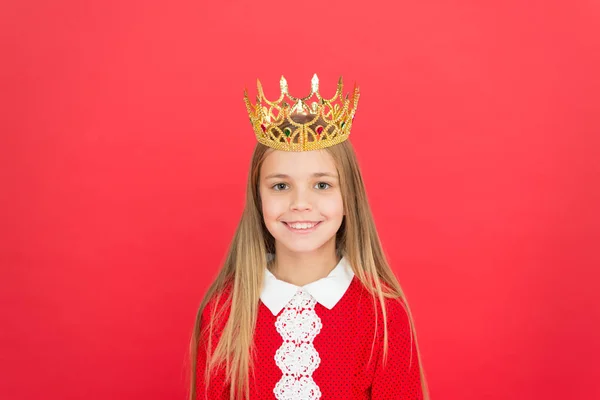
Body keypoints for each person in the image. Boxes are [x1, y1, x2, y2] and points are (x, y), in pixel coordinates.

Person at [189, 74, 430, 399]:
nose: (300, 204)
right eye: (280, 186)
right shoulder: (225, 313)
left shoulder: (382, 317)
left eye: (322, 185)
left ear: (350, 198)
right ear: (257, 198)